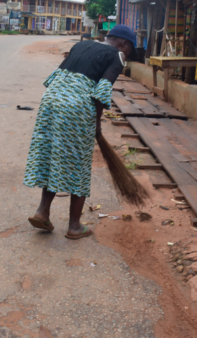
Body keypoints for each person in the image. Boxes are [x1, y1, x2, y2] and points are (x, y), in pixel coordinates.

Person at [23, 25, 137, 240]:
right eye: (131, 50)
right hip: (75, 107)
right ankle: (74, 226)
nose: (128, 55)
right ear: (123, 44)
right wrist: (96, 126)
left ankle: (42, 212)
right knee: (79, 165)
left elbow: (54, 78)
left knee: (52, 156)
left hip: (50, 102)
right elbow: (102, 91)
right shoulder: (118, 55)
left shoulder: (81, 44)